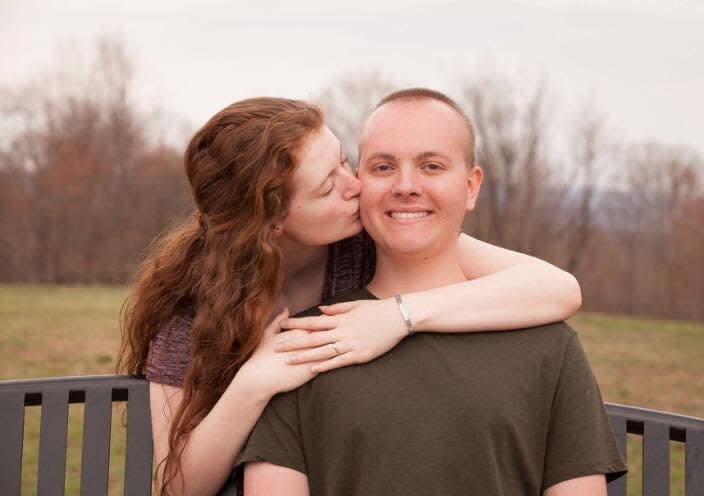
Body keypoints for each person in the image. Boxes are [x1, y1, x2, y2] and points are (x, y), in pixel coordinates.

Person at [118, 97, 583, 495]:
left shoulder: (366, 245)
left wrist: (398, 316)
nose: (355, 185)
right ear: (273, 221)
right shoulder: (191, 305)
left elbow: (556, 289)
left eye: (343, 160)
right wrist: (256, 379)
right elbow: (177, 484)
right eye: (327, 187)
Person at [238, 89, 627, 495]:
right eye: (383, 167)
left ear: (471, 187)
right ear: (359, 184)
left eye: (432, 166)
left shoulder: (549, 345)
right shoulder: (309, 342)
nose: (406, 186)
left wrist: (400, 315)